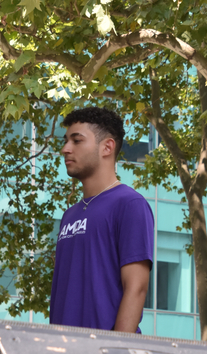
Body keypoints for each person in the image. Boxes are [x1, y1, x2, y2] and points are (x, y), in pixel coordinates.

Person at [50, 107, 154, 332]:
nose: (65, 149)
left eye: (77, 141)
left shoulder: (129, 204)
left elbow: (136, 287)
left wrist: (116, 352)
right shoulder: (69, 216)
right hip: (64, 351)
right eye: (66, 141)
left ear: (107, 147)